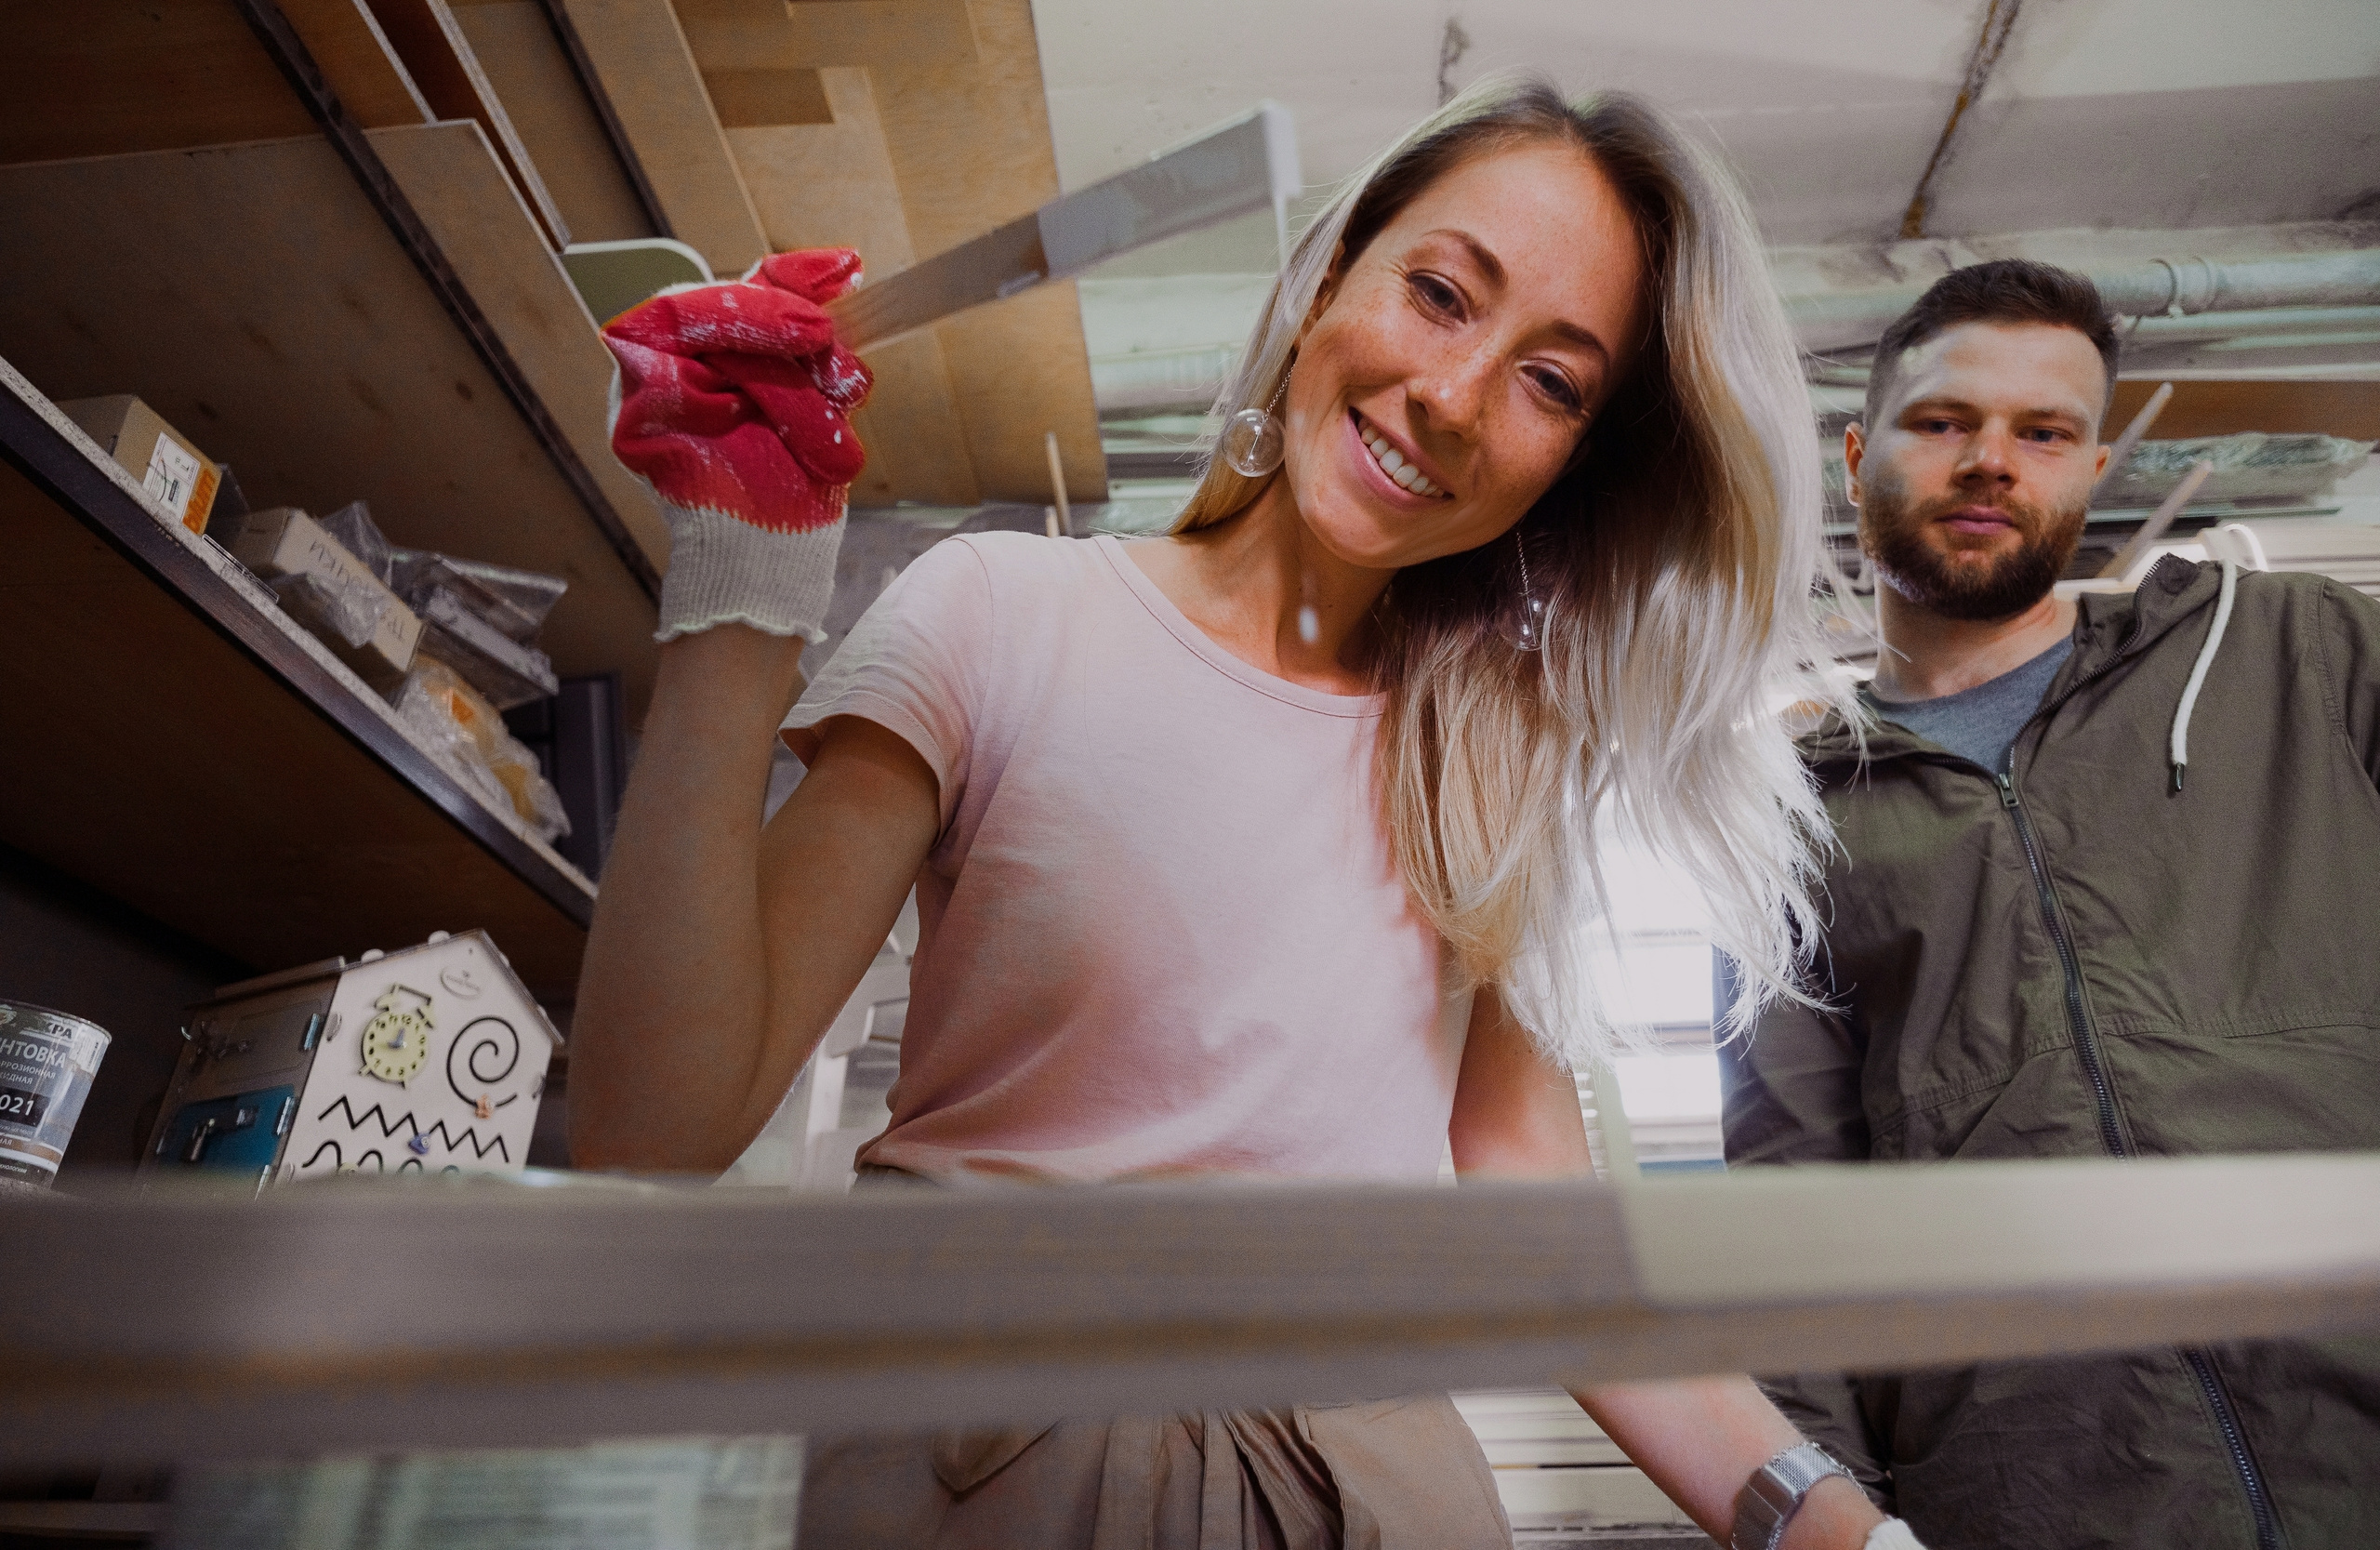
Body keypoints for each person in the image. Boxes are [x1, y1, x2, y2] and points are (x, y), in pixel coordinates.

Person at [575, 76, 1918, 1550]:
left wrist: (1840, 1532)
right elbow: (654, 1132)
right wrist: (742, 582)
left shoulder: (1498, 761)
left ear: (1575, 468)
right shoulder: (1000, 608)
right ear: (1331, 275)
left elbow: (1545, 1236)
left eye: (1552, 382)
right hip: (979, 1462)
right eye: (1439, 292)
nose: (1454, 398)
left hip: (1372, 1494)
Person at [1721, 258, 2380, 1549]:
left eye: (2044, 432)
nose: (1990, 461)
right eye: (1943, 422)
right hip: (2047, 1493)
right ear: (1861, 455)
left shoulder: (2295, 656)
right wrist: (1843, 1528)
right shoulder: (1790, 824)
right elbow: (1792, 1219)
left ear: (2092, 469)